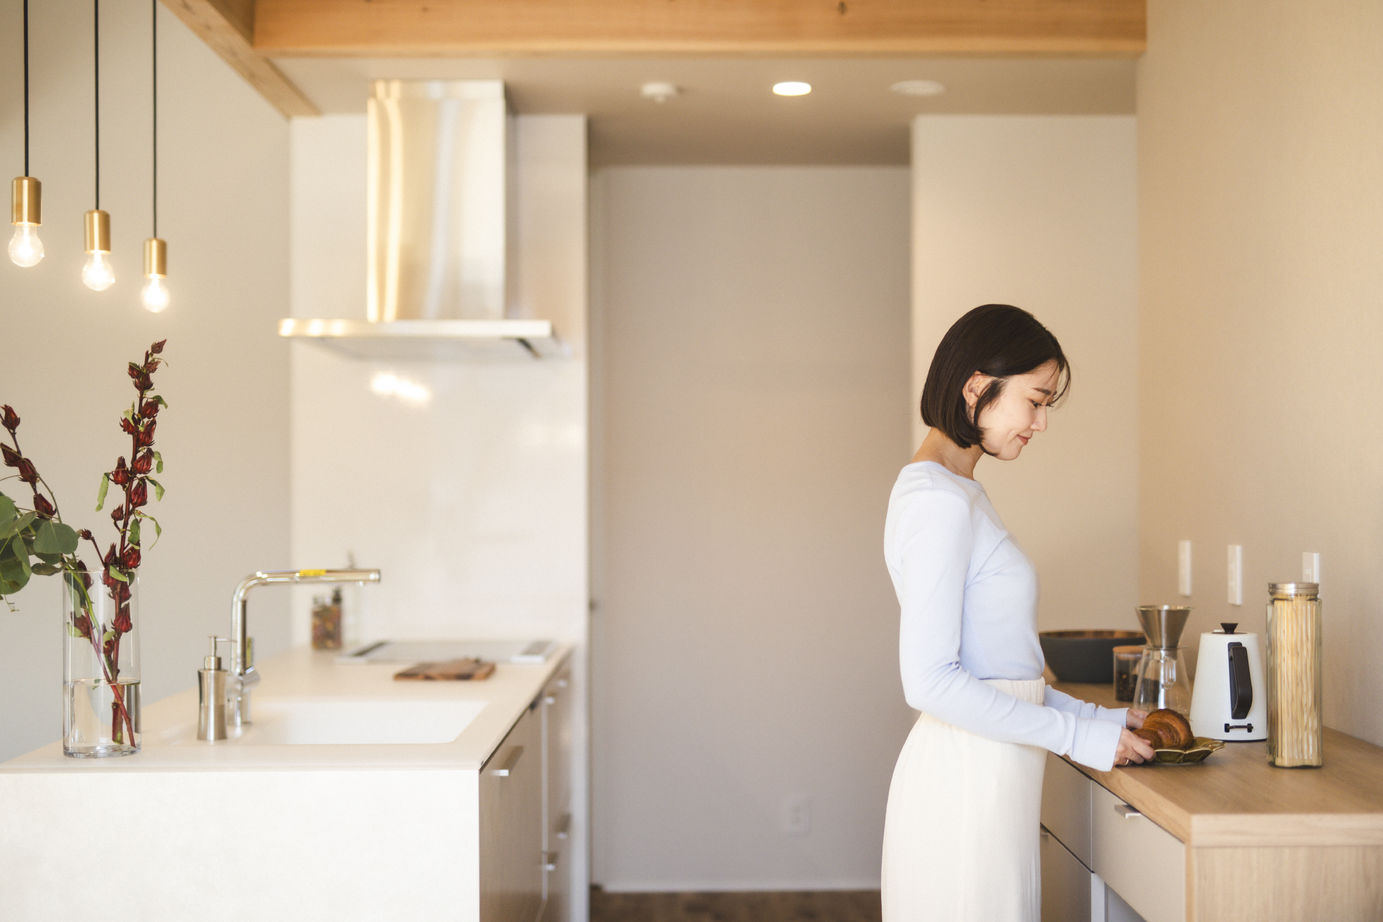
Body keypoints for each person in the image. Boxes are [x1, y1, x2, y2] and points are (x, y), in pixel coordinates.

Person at [880, 304, 1154, 921]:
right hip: (963, 793)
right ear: (976, 387)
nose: (1041, 422)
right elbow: (929, 681)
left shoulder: (957, 492)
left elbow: (1000, 672)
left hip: (989, 782)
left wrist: (1099, 720)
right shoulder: (937, 504)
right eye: (1035, 400)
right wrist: (1082, 736)